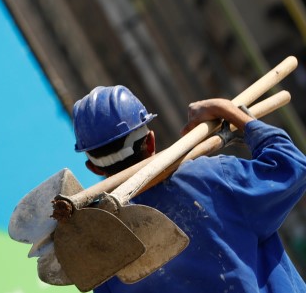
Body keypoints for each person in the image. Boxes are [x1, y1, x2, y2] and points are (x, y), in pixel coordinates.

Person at [72, 85, 306, 292]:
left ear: (93, 168)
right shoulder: (212, 179)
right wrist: (228, 111)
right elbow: (291, 165)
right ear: (151, 141)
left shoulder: (103, 254)